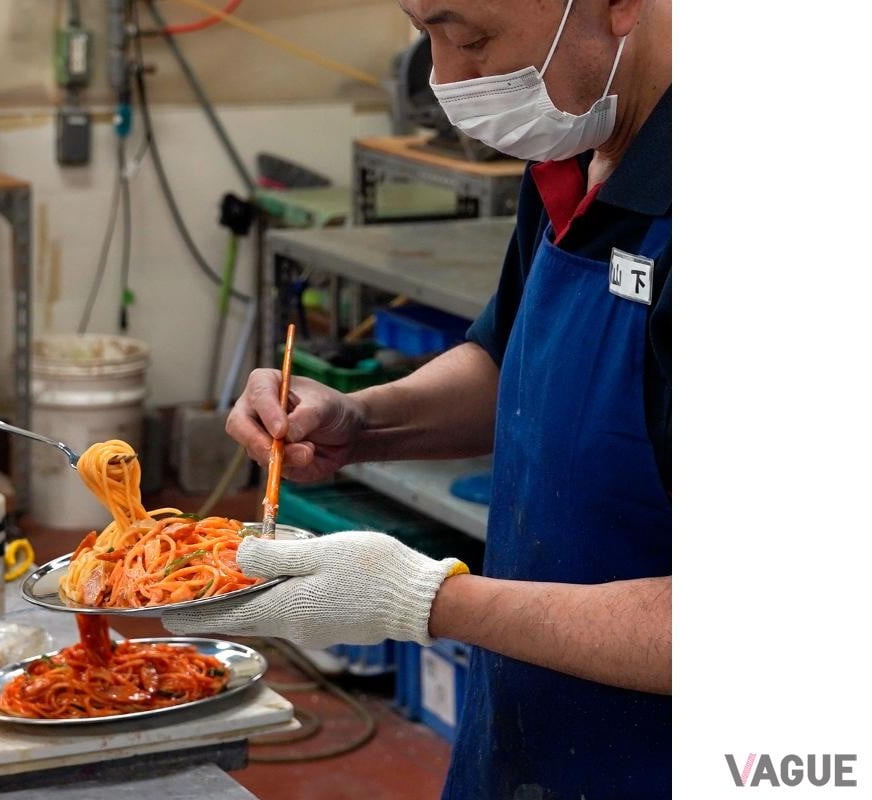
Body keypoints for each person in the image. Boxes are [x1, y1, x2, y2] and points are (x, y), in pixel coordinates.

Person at [166, 0, 672, 795]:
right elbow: (517, 364)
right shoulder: (574, 149)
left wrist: (426, 600)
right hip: (527, 739)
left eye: (470, 37)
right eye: (424, 35)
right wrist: (360, 418)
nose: (444, 77)